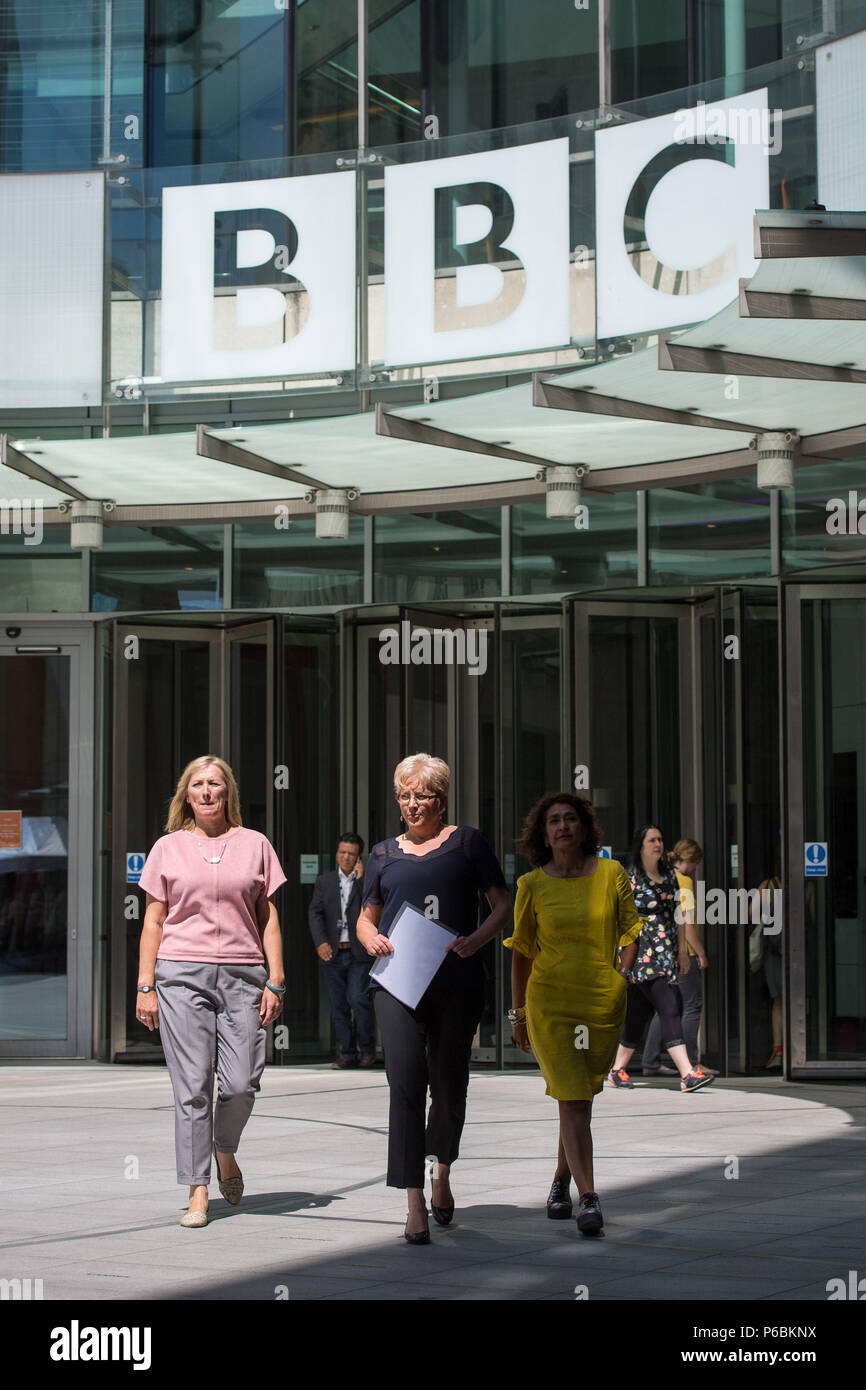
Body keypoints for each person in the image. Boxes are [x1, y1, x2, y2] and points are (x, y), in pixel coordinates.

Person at [356, 753, 511, 1244]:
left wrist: (477, 940)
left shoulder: (468, 843)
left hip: (455, 983)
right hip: (397, 984)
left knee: (447, 1087)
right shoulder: (381, 854)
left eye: (422, 795)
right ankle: (413, 1202)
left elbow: (502, 905)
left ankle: (442, 1170)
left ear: (441, 799)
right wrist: (368, 938)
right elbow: (364, 916)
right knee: (404, 1084)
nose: (412, 804)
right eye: (404, 795)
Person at [136, 756, 287, 1228]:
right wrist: (145, 986)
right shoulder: (167, 848)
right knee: (192, 1087)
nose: (205, 792)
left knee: (242, 1083)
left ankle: (225, 1150)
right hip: (180, 975)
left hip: (244, 975)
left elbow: (269, 918)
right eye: (197, 785)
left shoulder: (255, 844)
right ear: (186, 795)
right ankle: (197, 1191)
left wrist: (276, 980)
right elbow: (153, 922)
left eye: (214, 784)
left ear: (228, 794)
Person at [505, 794, 642, 1235]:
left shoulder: (611, 873)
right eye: (554, 821)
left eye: (569, 819)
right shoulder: (531, 885)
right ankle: (590, 1199)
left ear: (583, 827)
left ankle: (560, 1182)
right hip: (550, 1005)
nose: (562, 827)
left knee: (579, 1099)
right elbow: (522, 953)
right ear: (543, 834)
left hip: (600, 1001)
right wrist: (518, 1013)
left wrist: (621, 975)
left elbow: (630, 929)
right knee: (570, 1098)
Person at [608, 825, 715, 1095]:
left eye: (660, 839)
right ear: (641, 845)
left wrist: (682, 951)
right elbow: (615, 915)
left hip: (664, 952)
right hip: (640, 953)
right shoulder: (629, 877)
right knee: (669, 1005)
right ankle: (687, 1073)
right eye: (652, 840)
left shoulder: (669, 875)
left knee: (638, 1014)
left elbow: (678, 914)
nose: (658, 843)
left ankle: (616, 1069)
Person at [642, 837, 715, 1079]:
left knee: (664, 1007)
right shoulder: (682, 881)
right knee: (692, 1007)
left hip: (666, 952)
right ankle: (692, 1063)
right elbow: (685, 921)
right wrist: (701, 952)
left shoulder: (664, 877)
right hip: (684, 953)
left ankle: (651, 1060)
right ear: (692, 861)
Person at [308, 833, 376, 1069]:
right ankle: (347, 1054)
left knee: (359, 1000)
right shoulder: (324, 881)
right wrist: (320, 942)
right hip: (333, 953)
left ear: (358, 858)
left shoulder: (364, 882)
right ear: (337, 854)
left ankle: (367, 1050)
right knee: (338, 1006)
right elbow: (315, 913)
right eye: (342, 852)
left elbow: (373, 907)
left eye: (351, 854)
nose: (346, 857)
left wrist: (361, 880)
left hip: (359, 953)